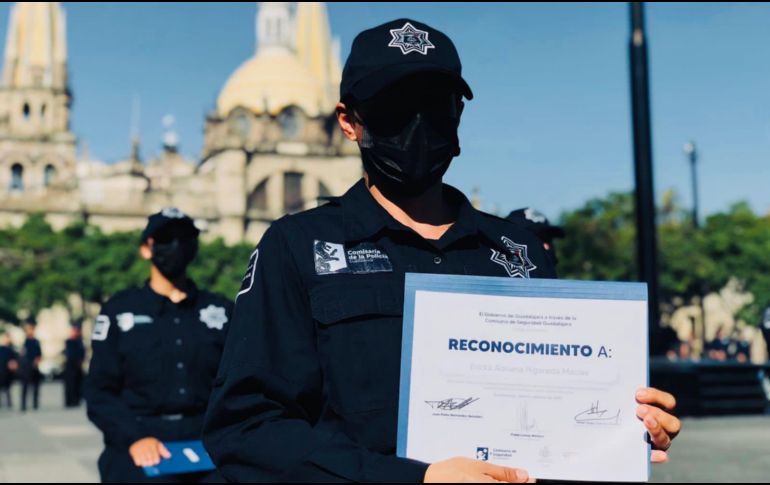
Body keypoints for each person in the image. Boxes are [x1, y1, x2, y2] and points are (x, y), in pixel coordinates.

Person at [203, 18, 681, 483]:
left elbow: (554, 413)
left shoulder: (519, 251)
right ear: (349, 122)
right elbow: (246, 429)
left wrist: (621, 429)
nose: (418, 123)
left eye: (435, 104)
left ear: (458, 115)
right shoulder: (296, 246)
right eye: (395, 107)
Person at [85, 208, 233, 483]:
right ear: (146, 248)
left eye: (185, 237)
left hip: (209, 442)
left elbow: (240, 384)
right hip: (141, 438)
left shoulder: (221, 311)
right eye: (166, 238)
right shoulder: (120, 311)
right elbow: (99, 392)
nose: (176, 245)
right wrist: (135, 438)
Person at [20, 322, 42, 412]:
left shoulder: (36, 342)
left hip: (35, 367)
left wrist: (37, 360)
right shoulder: (25, 342)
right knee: (25, 386)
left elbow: (40, 354)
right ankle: (23, 405)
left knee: (36, 386)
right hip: (26, 367)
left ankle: (35, 404)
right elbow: (22, 354)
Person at [64, 324, 86, 407]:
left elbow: (82, 353)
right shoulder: (69, 341)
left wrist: (81, 361)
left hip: (77, 365)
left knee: (78, 383)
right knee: (70, 384)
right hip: (70, 365)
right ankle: (69, 401)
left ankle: (76, 400)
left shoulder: (79, 341)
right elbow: (69, 354)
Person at [0, 332, 18, 409]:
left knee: (7, 389)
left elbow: (14, 362)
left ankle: (9, 403)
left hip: (8, 373)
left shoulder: (12, 349)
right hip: (1, 371)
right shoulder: (1, 349)